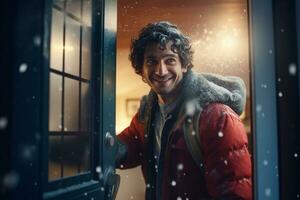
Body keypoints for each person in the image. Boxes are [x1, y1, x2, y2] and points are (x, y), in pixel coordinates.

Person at [116, 21, 252, 200]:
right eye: (151, 61)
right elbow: (129, 147)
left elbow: (234, 193)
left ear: (184, 65)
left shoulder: (218, 117)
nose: (161, 70)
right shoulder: (148, 114)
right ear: (141, 70)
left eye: (170, 60)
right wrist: (90, 148)